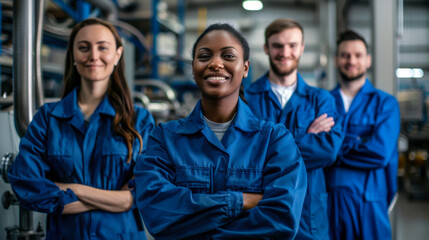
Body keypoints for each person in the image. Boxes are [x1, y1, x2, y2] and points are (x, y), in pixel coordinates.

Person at [134, 23, 307, 239]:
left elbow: (282, 219)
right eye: (205, 56)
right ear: (193, 68)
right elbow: (158, 213)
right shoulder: (164, 139)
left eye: (228, 56)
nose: (216, 63)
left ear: (245, 68)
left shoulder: (275, 140)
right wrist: (242, 201)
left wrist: (197, 227)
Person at [8, 18, 154, 240]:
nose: (93, 56)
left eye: (102, 47)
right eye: (83, 47)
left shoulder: (139, 120)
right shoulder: (48, 118)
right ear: (74, 55)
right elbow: (28, 187)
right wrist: (114, 199)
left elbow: (140, 195)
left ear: (117, 54)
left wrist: (73, 189)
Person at [245, 18, 342, 240]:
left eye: (292, 45)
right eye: (277, 45)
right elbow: (243, 156)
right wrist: (306, 139)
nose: (285, 52)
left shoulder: (321, 100)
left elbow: (327, 150)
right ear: (266, 48)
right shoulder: (246, 99)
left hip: (308, 217)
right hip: (260, 217)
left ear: (302, 48)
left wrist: (267, 151)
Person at [325, 29, 400, 240]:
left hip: (371, 204)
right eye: (345, 55)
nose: (351, 61)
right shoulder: (321, 102)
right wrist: (359, 142)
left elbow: (379, 152)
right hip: (330, 204)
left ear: (368, 60)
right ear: (336, 60)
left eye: (358, 55)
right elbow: (316, 151)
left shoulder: (385, 104)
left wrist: (335, 149)